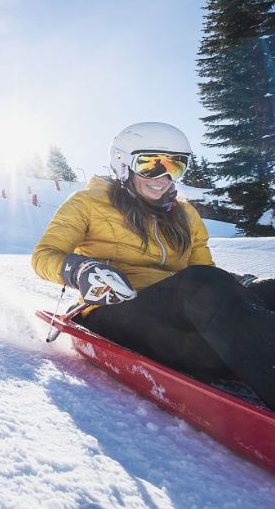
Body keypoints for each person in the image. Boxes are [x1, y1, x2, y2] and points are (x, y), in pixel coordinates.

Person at [32, 121, 275, 408]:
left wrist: (238, 286)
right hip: (116, 311)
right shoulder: (88, 203)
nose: (163, 176)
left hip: (177, 327)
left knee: (268, 289)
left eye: (174, 166)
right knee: (200, 283)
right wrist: (81, 270)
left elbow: (208, 275)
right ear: (123, 164)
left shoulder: (186, 215)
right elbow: (44, 255)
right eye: (150, 165)